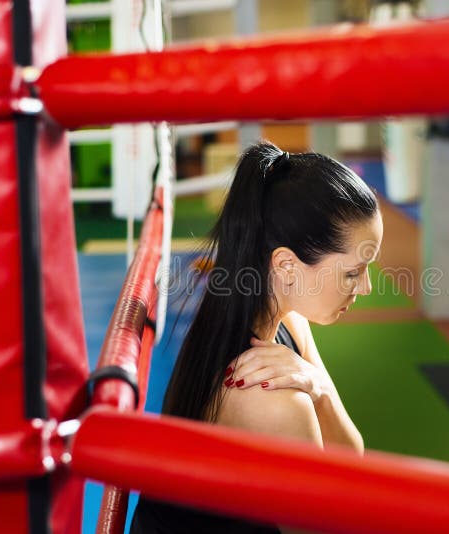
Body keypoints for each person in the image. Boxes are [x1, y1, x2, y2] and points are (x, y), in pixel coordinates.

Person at [131, 141, 382, 533]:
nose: (365, 287)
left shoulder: (273, 321)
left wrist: (321, 389)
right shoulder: (270, 395)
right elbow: (335, 510)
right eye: (353, 272)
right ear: (285, 264)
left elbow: (351, 456)